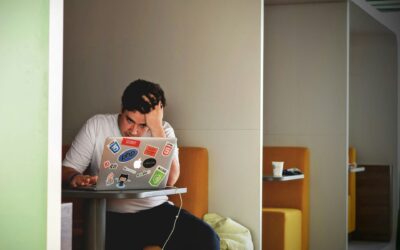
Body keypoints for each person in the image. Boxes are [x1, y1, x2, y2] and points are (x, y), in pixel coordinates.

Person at [62, 79, 220, 250]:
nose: (134, 131)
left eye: (143, 125)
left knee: (207, 238)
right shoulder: (97, 125)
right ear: (122, 110)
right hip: (109, 215)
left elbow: (171, 180)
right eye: (129, 120)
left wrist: (157, 128)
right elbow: (66, 170)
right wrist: (75, 177)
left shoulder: (164, 131)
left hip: (156, 211)